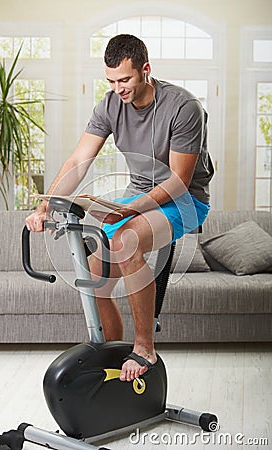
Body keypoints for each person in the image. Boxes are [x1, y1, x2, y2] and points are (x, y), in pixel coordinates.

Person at [26, 34, 214, 383]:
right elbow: (78, 161)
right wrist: (44, 207)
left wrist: (127, 212)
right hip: (137, 195)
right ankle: (113, 358)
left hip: (187, 200)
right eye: (111, 81)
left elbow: (178, 182)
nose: (118, 88)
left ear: (146, 70)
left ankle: (144, 347)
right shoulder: (110, 104)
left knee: (125, 240)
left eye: (125, 80)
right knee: (94, 282)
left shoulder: (183, 107)